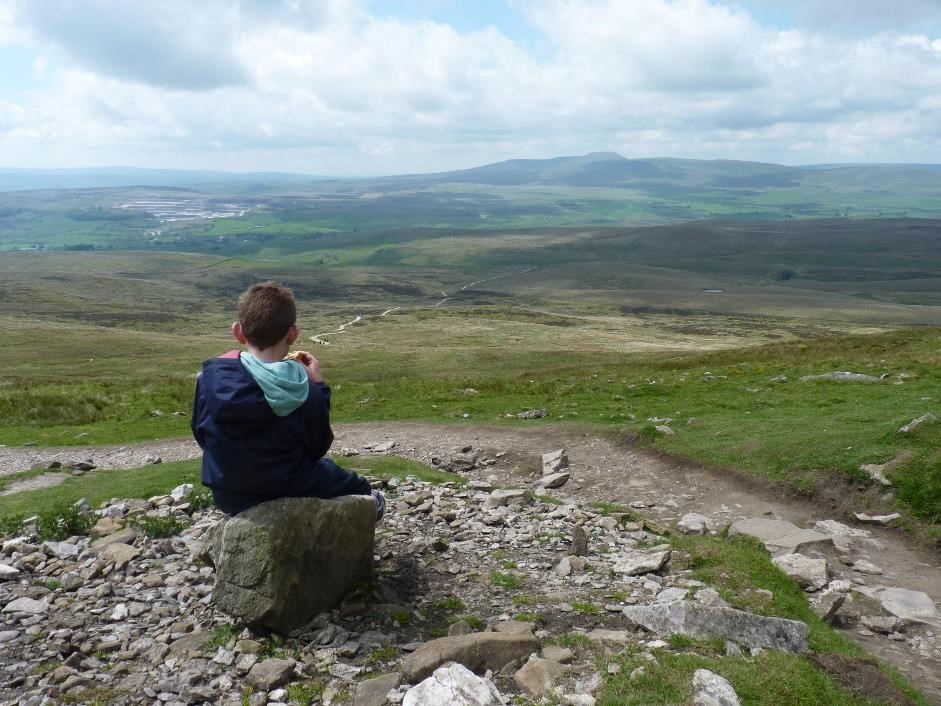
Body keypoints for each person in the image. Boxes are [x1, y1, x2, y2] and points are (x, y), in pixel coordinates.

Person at [191, 280, 384, 519]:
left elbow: (201, 434)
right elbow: (316, 448)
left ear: (238, 332)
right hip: (288, 484)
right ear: (293, 334)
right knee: (344, 478)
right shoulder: (306, 391)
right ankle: (373, 505)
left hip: (228, 493)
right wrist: (319, 387)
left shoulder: (210, 379)